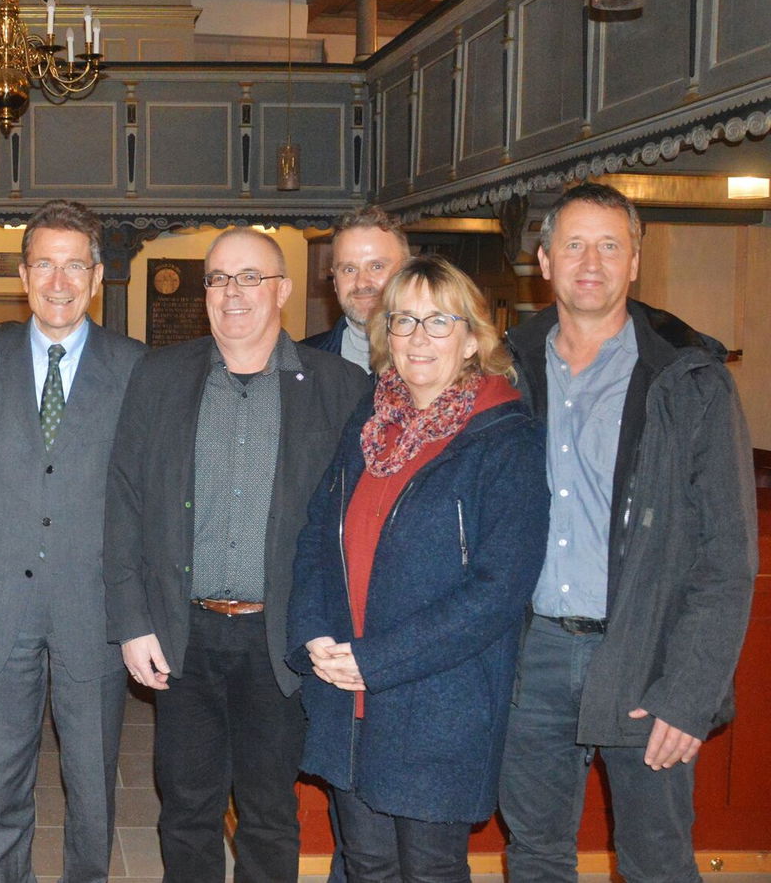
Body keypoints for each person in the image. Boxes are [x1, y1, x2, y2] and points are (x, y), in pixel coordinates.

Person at [497, 183, 756, 883]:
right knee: (536, 853)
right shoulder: (500, 369)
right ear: (543, 261)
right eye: (575, 244)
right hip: (531, 656)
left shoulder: (690, 378)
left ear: (635, 261)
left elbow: (727, 557)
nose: (592, 261)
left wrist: (689, 692)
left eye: (610, 245)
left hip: (645, 656)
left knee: (657, 861)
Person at [104, 228, 368, 882]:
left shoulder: (339, 386)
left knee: (270, 813)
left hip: (280, 641)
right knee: (186, 811)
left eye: (250, 277)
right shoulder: (161, 375)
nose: (233, 293)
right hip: (183, 632)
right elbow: (124, 505)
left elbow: (357, 523)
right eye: (219, 278)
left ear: (281, 290)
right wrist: (132, 622)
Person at [287, 256, 549, 881]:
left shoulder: (506, 439)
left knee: (429, 870)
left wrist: (375, 660)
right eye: (403, 321)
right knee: (368, 863)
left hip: (440, 702)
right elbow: (319, 538)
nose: (418, 338)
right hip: (350, 693)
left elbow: (497, 592)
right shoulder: (368, 424)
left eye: (438, 321)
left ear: (472, 337)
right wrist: (316, 634)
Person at [0, 200, 146, 883]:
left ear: (96, 277)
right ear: (23, 275)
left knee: (92, 779)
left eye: (74, 266)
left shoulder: (136, 367)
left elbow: (141, 503)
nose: (58, 282)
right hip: (0, 607)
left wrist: (139, 614)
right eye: (44, 265)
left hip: (93, 610)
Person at [304, 206, 411, 374]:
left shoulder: (434, 363)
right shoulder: (299, 365)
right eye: (349, 269)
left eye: (376, 266)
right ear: (335, 282)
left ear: (407, 273)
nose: (361, 283)